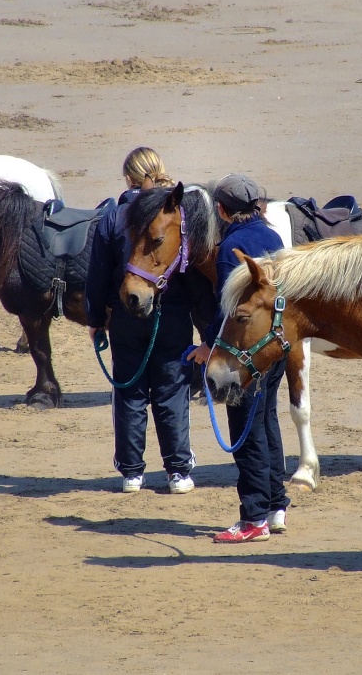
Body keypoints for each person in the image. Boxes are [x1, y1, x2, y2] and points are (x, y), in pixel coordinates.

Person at [85, 147, 201, 494]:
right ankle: (178, 471)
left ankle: (132, 472)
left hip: (126, 316)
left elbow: (98, 274)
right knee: (172, 389)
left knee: (129, 390)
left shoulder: (113, 216)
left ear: (128, 178)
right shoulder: (175, 213)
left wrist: (95, 318)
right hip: (173, 315)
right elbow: (191, 271)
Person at [187, 173, 290, 542]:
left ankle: (253, 519)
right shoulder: (274, 236)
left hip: (244, 352)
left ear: (221, 211)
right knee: (267, 422)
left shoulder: (234, 248)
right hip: (274, 345)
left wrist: (208, 346)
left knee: (245, 432)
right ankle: (276, 506)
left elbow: (227, 309)